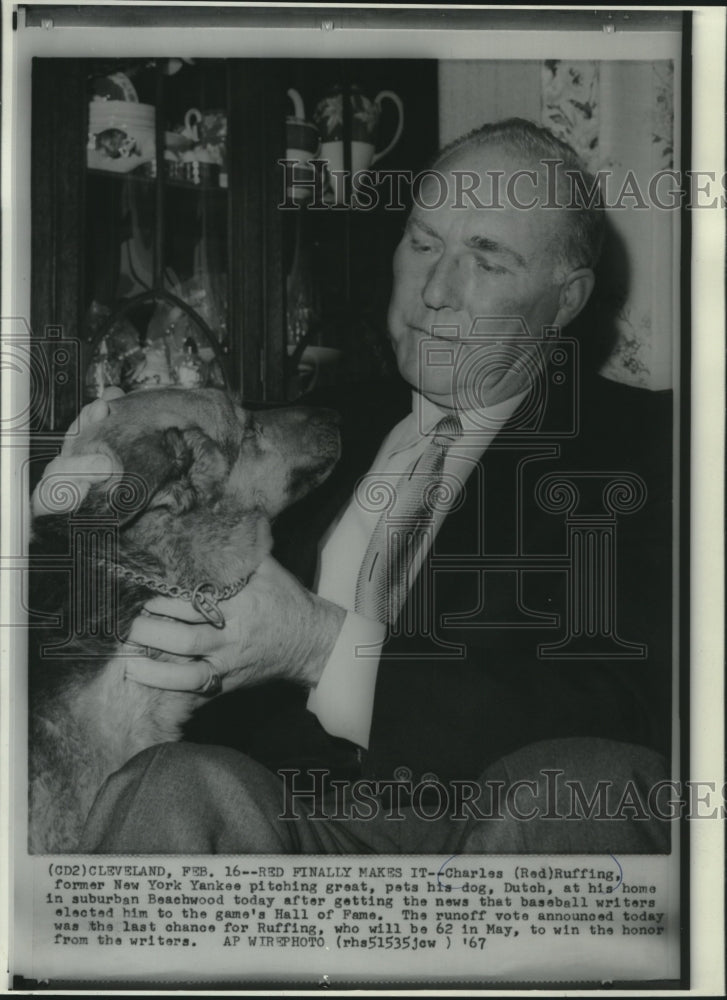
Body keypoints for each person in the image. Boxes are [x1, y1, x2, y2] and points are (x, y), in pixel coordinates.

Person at [33, 119, 673, 853]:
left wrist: (318, 647)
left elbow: (632, 712)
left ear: (564, 300)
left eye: (486, 262)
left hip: (491, 832)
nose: (435, 290)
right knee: (168, 782)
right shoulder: (310, 427)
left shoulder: (649, 446)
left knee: (581, 785)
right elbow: (126, 613)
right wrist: (68, 522)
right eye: (423, 244)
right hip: (274, 825)